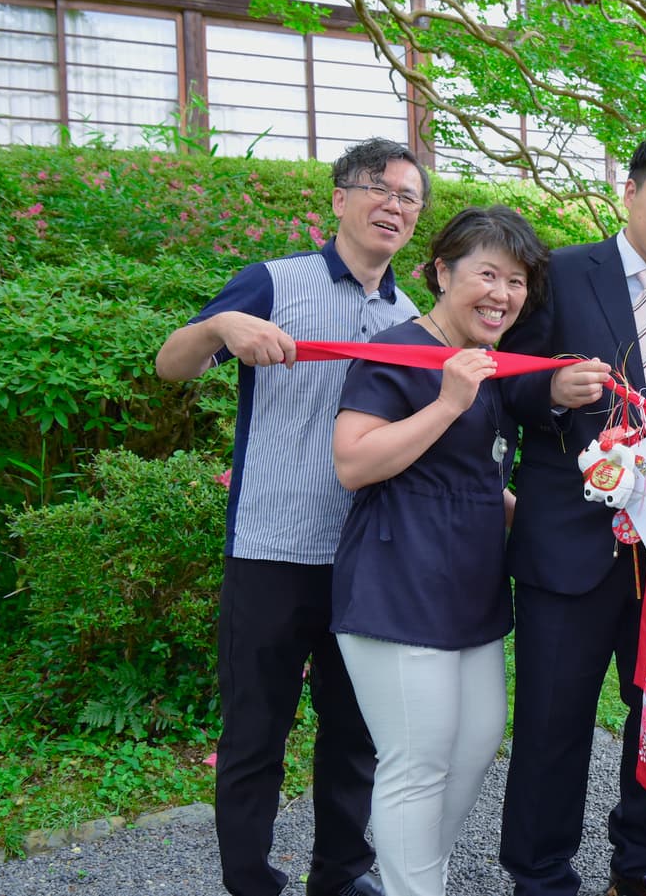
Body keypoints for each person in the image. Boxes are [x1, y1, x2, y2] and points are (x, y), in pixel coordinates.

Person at [155, 137, 430, 896]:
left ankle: (341, 873)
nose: (393, 204)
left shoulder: (412, 319)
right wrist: (220, 330)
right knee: (255, 731)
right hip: (271, 548)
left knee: (354, 733)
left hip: (368, 556)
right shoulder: (274, 282)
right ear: (339, 198)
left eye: (409, 197)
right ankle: (249, 880)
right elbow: (169, 364)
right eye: (378, 187)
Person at [496, 128, 646, 896]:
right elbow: (505, 379)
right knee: (551, 720)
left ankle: (643, 861)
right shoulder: (559, 275)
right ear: (628, 193)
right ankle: (540, 872)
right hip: (569, 540)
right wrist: (548, 392)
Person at [329, 207, 550, 896]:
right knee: (416, 760)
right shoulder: (398, 351)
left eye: (516, 281)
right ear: (441, 272)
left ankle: (419, 877)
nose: (503, 294)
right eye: (487, 273)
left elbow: (479, 479)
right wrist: (449, 401)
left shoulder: (491, 369)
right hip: (397, 582)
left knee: (475, 746)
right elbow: (353, 464)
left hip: (472, 586)